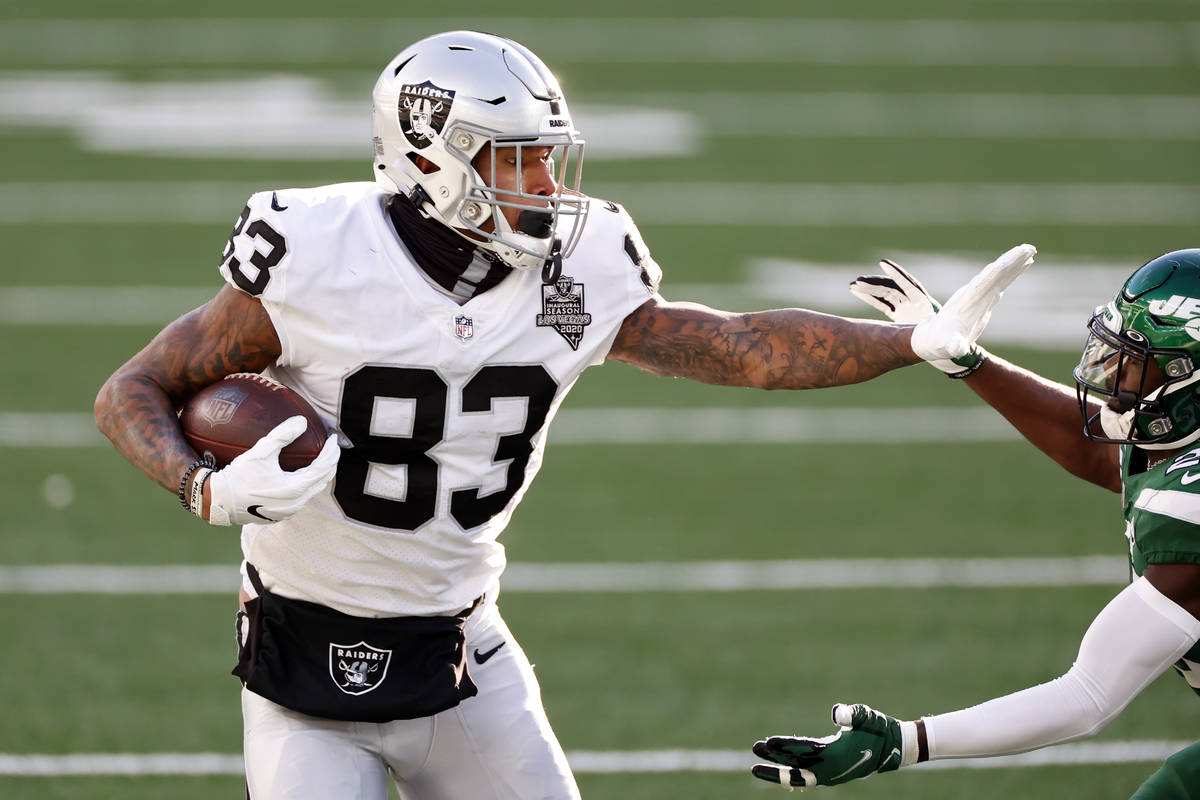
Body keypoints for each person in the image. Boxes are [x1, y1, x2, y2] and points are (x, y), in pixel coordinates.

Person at [93, 30, 1030, 800]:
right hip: (301, 658)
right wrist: (202, 485)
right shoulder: (315, 254)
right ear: (431, 159)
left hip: (463, 651)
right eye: (516, 158)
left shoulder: (581, 271)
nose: (544, 182)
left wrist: (909, 344)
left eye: (547, 155)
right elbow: (131, 391)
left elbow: (738, 344)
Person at [750, 249, 1200, 798]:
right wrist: (967, 362)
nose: (1110, 375)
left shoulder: (1188, 509)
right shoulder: (1173, 449)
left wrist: (905, 741)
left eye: (1136, 361)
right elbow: (1101, 456)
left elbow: (1088, 696)